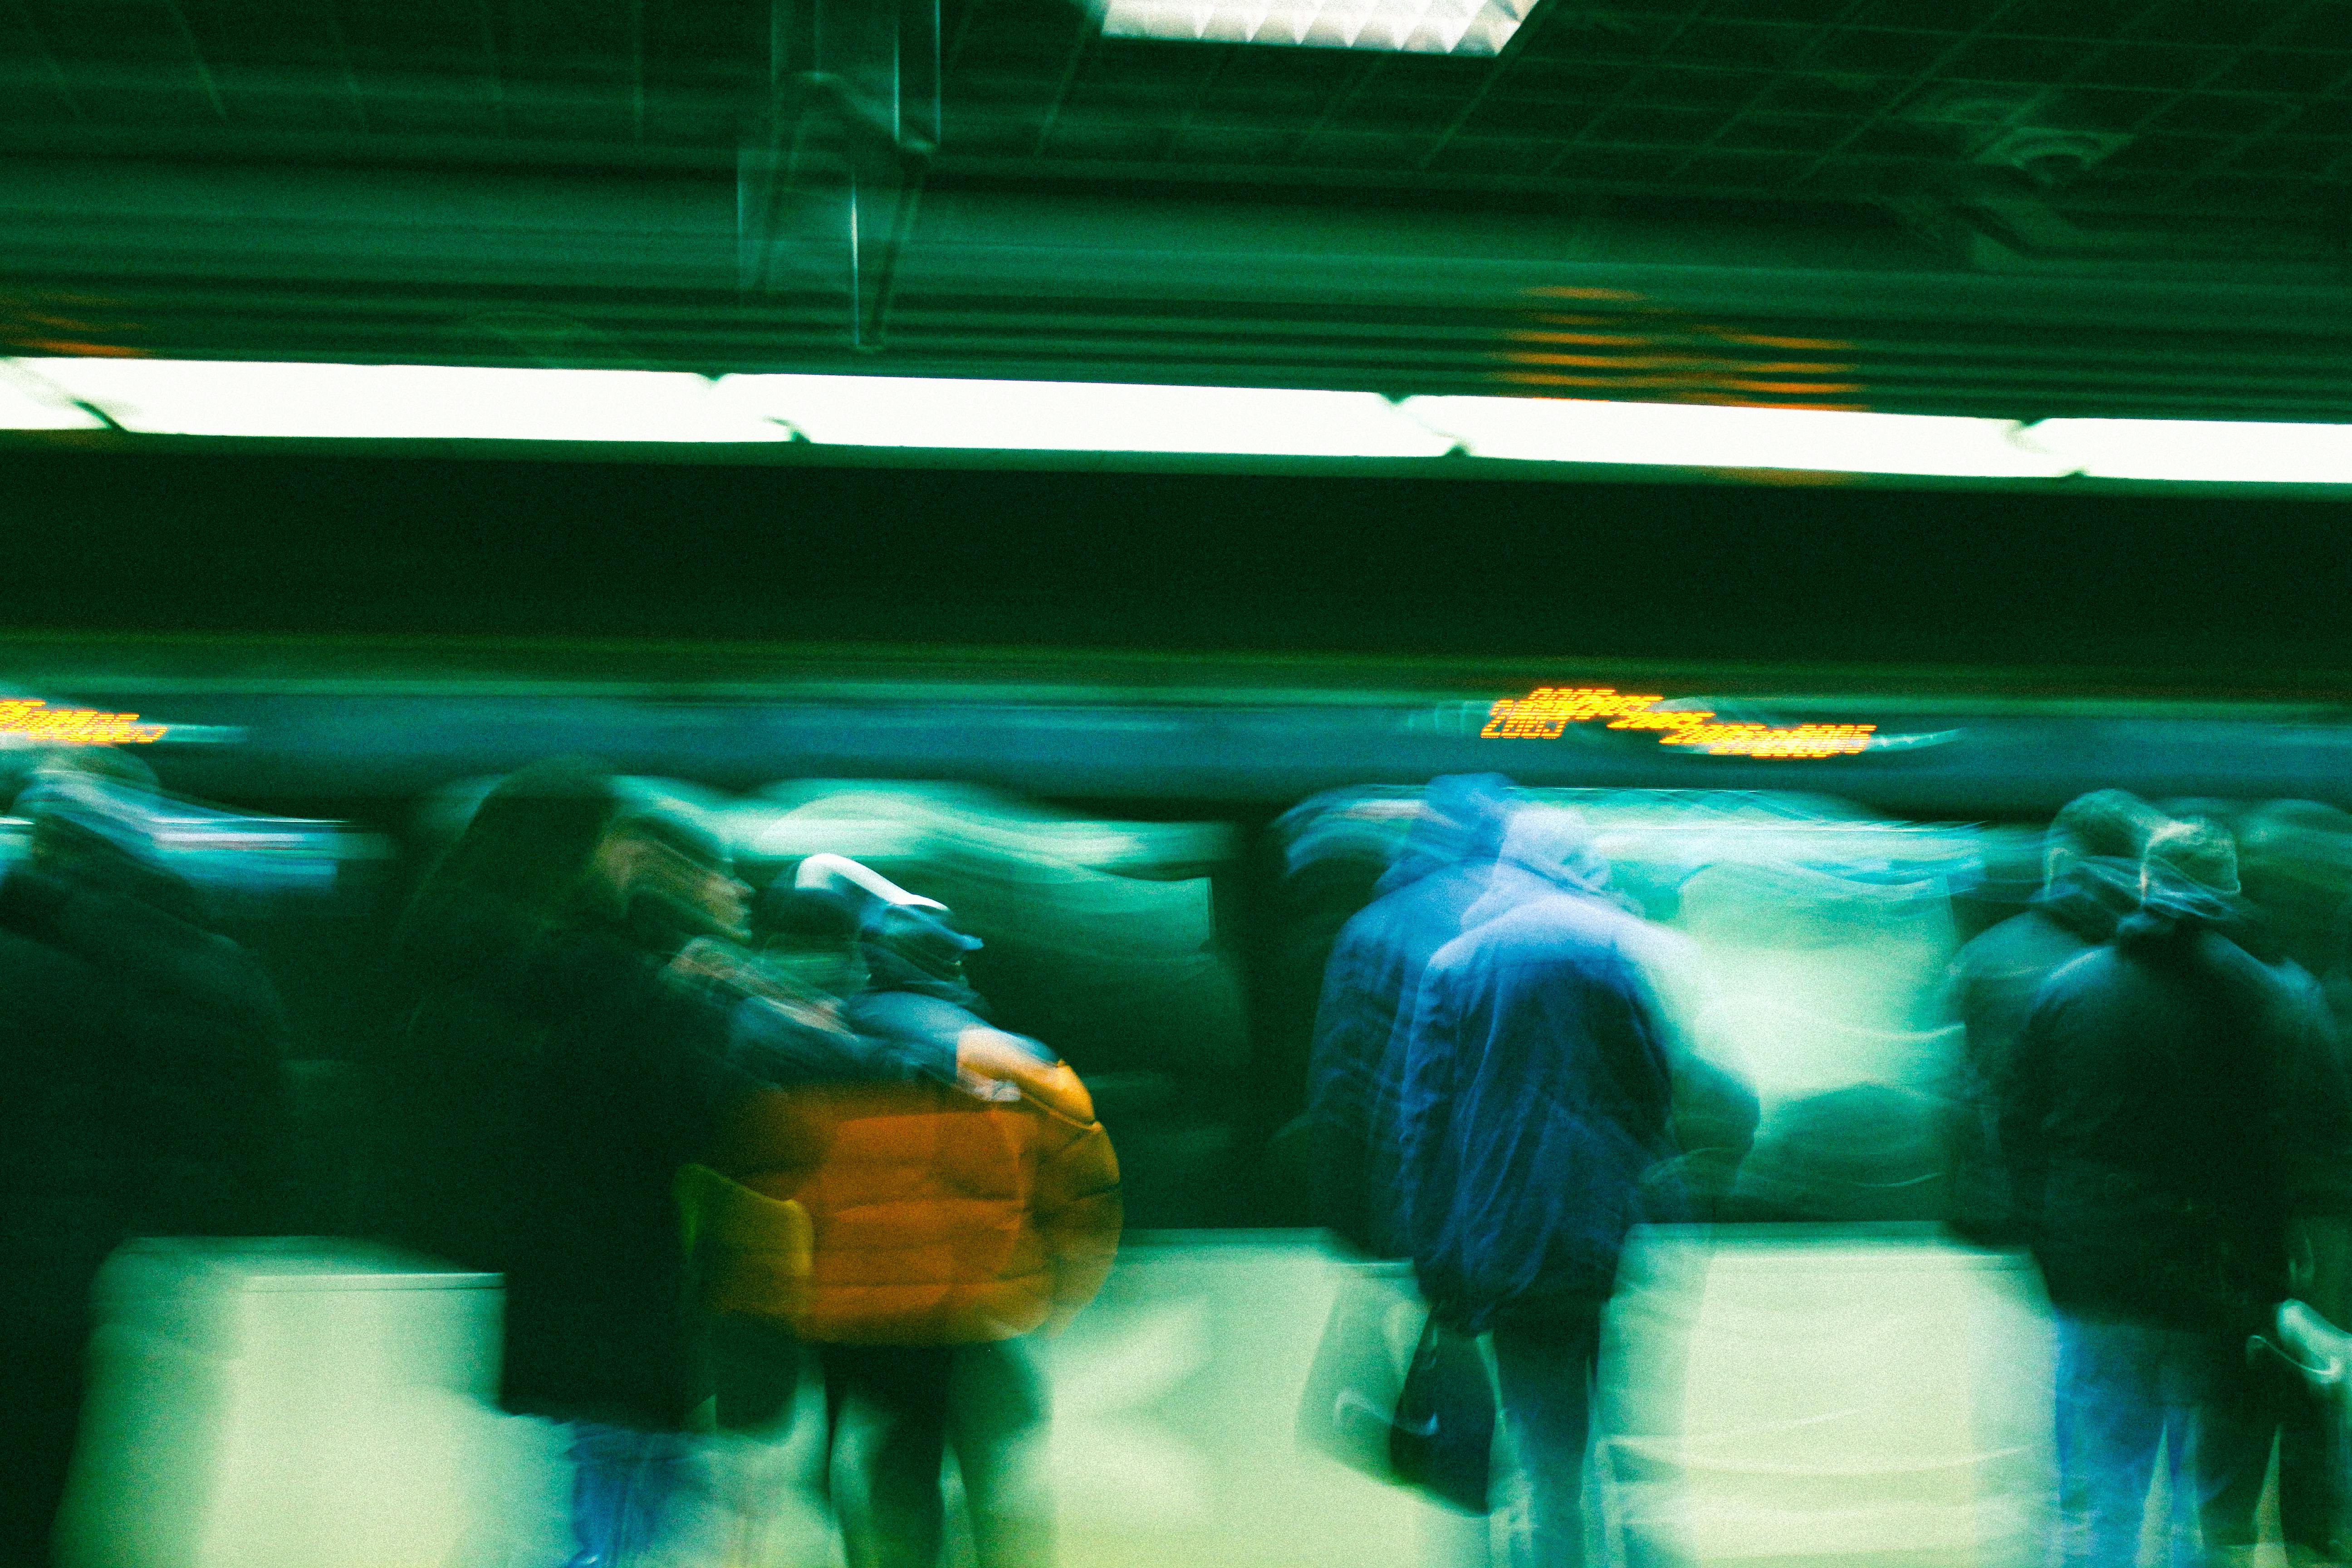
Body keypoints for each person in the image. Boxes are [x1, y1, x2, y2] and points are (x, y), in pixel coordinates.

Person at [373, 763, 1046, 1568]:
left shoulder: (495, 976)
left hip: (557, 1320)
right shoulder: (611, 990)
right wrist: (811, 1038)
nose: (731, 890)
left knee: (589, 1525)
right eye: (619, 841)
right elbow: (747, 1129)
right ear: (597, 852)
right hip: (622, 1329)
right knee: (610, 1538)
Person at [701, 894, 1120, 1568]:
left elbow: (759, 1190)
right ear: (951, 964)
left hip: (852, 1328)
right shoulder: (1016, 1062)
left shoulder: (799, 1048)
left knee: (895, 1484)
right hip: (974, 1319)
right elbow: (1086, 1194)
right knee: (995, 1483)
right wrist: (1062, 1296)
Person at [2002, 819, 2352, 1568]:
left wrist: (2056, 1251)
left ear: (2141, 883)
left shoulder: (2068, 989)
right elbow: (2315, 1148)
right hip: (2226, 1289)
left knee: (2105, 1495)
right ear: (2232, 885)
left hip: (2101, 1281)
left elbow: (2019, 1134)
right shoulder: (2279, 994)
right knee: (2211, 1511)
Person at [0, 752, 294, 1568]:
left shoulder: (15, 959)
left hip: (21, 1279)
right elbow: (262, 1148)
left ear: (47, 840)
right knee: (111, 1512)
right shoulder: (221, 970)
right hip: (155, 1292)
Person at [1398, 807, 1692, 1568]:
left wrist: (1437, 1270)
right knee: (1626, 1443)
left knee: (1546, 1465)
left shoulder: (1456, 962)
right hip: (1602, 1241)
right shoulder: (1610, 946)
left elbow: (1425, 1130)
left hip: (1505, 1248)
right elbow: (1653, 1088)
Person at [1307, 774, 1515, 1259]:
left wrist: (1343, 1210)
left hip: (1408, 1188)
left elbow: (1342, 1082)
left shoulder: (1370, 931)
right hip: (1519, 1199)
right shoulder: (1544, 929)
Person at [1946, 789, 2166, 1243]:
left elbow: (1971, 1094)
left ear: (2060, 859)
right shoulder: (2178, 957)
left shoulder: (1988, 960)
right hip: (2141, 1209)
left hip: (2013, 1205)